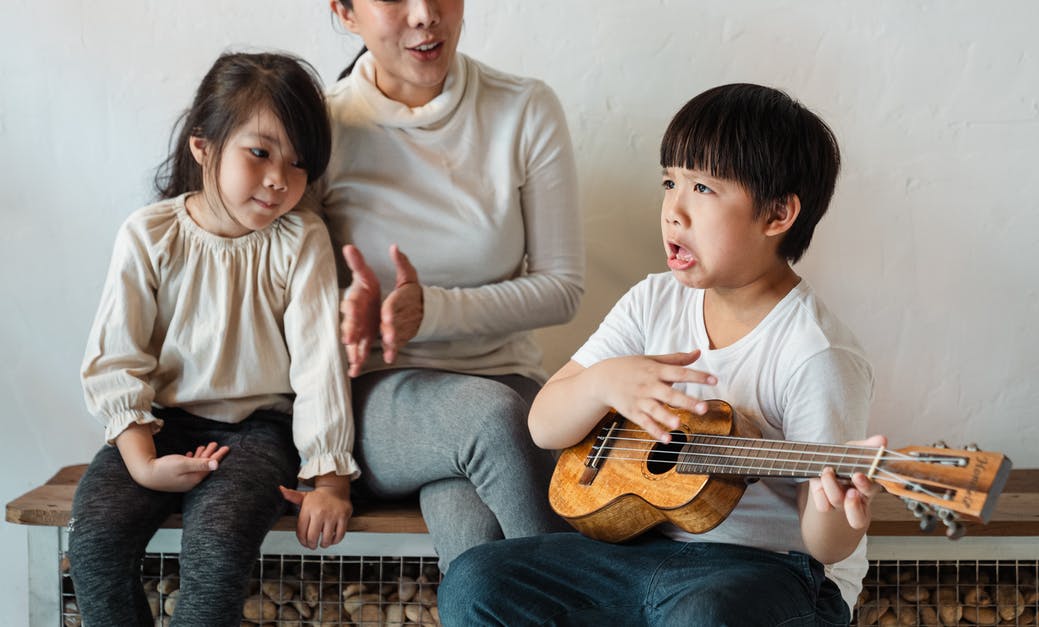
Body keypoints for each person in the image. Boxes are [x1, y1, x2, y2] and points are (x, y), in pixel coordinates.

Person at [439, 83, 883, 626]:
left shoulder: (815, 352)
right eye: (669, 181)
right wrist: (604, 384)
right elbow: (544, 425)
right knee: (475, 580)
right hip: (637, 552)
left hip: (772, 573)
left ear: (777, 214)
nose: (673, 209)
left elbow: (825, 546)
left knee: (705, 615)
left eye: (702, 188)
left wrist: (842, 513)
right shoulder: (653, 301)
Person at [70, 52, 360, 627]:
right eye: (260, 152)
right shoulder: (149, 234)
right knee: (96, 541)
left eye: (298, 164)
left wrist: (330, 482)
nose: (280, 179)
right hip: (155, 424)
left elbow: (319, 366)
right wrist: (145, 463)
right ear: (203, 148)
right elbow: (114, 360)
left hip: (256, 432)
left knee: (219, 545)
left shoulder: (301, 239)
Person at [319, 0, 582, 571]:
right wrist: (338, 313)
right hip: (378, 398)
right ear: (344, 11)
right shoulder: (323, 127)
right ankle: (589, 602)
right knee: (490, 418)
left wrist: (431, 311)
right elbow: (277, 290)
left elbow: (562, 288)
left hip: (509, 383)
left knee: (475, 545)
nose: (424, 14)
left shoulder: (523, 108)